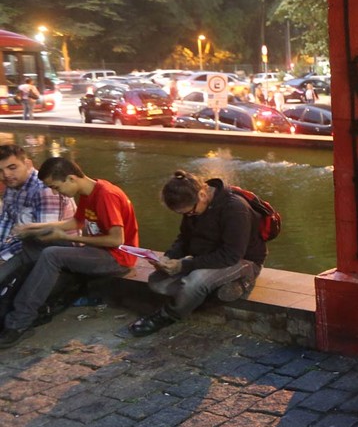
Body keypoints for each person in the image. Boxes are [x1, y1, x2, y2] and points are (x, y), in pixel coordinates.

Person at [0, 157, 139, 349]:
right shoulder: (88, 191)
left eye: (56, 187)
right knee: (33, 241)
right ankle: (7, 300)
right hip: (95, 251)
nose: (57, 192)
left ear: (71, 179)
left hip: (117, 258)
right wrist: (35, 227)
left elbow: (117, 240)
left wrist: (67, 238)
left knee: (52, 254)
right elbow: (76, 223)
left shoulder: (106, 195)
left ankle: (19, 322)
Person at [127, 171, 266, 337]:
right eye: (184, 214)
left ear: (202, 194)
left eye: (190, 212)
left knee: (195, 282)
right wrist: (169, 257)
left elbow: (231, 255)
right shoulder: (194, 206)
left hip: (244, 261)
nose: (189, 216)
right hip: (207, 257)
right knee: (157, 280)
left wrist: (184, 265)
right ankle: (208, 293)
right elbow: (184, 238)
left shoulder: (235, 209)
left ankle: (167, 316)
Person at [0, 145, 78, 320]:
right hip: (24, 245)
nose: (6, 175)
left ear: (27, 163)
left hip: (55, 247)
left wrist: (4, 256)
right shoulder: (11, 187)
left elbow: (42, 235)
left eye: (12, 167)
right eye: (0, 171)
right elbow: (5, 223)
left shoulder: (44, 190)